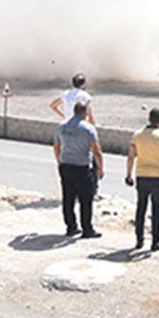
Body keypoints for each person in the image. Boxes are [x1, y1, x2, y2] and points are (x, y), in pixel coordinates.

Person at [126, 107, 159, 252]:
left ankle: (139, 240)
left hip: (141, 175)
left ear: (149, 119)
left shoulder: (137, 135)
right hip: (157, 177)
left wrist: (128, 174)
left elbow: (131, 157)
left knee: (141, 208)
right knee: (156, 210)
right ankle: (155, 241)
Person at [53, 101, 104, 239]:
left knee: (68, 198)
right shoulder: (88, 129)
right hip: (82, 167)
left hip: (65, 165)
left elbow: (56, 146)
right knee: (85, 200)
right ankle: (87, 229)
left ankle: (71, 227)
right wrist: (100, 168)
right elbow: (97, 151)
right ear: (85, 112)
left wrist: (59, 160)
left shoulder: (62, 126)